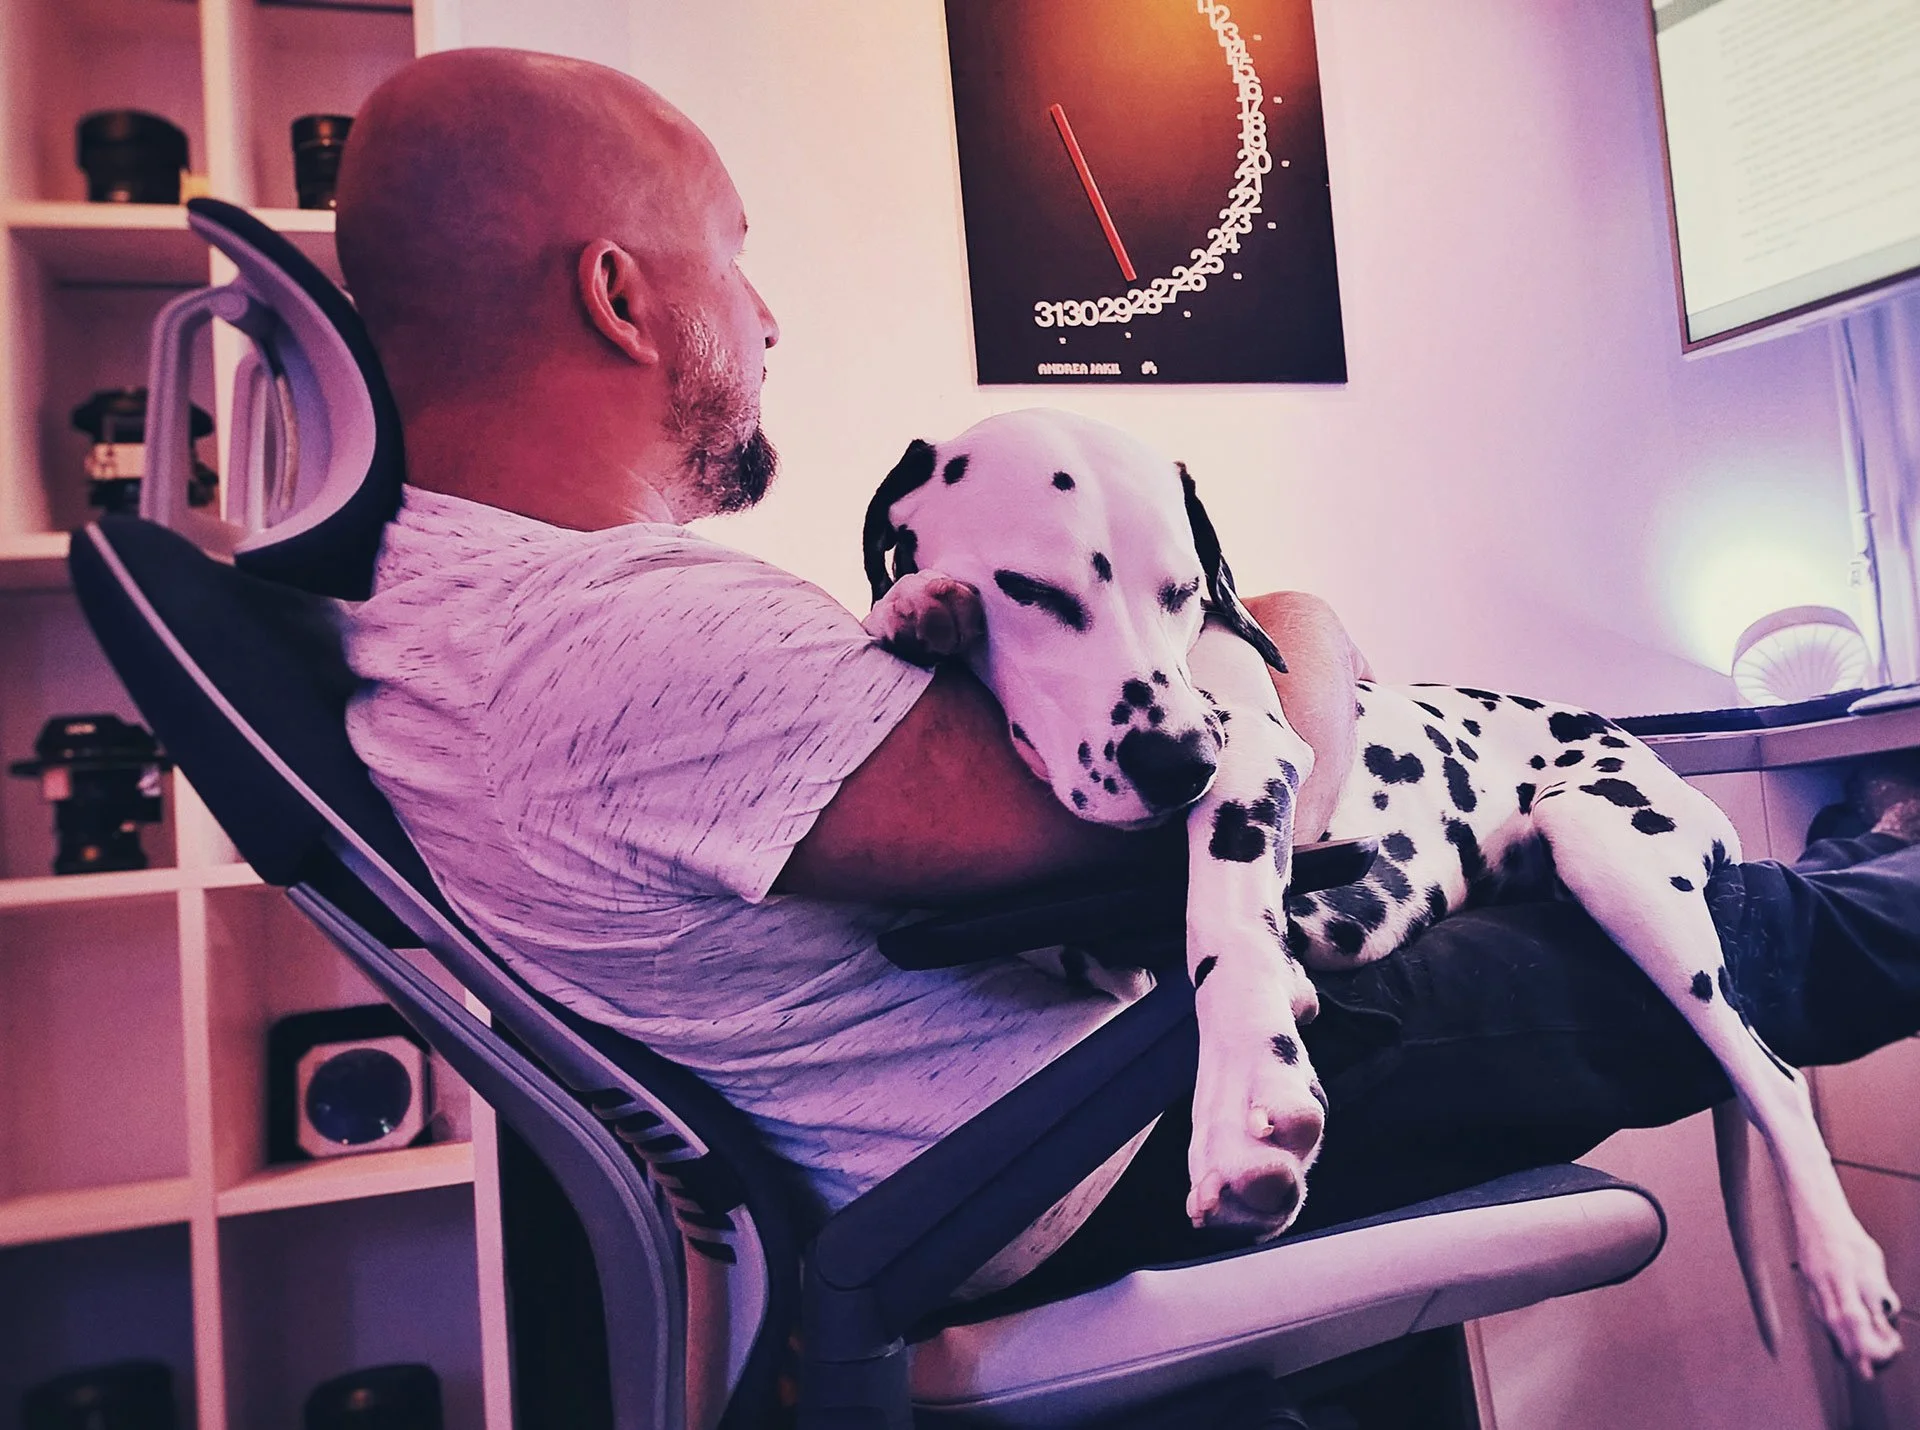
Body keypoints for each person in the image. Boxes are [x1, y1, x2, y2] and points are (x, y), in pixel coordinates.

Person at [334, 48, 1920, 1317]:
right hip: (1096, 1133)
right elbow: (1204, 799)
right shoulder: (619, 637)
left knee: (1657, 870)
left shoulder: (445, 611)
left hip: (1008, 1118)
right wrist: (1301, 627)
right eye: (735, 258)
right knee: (1755, 928)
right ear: (620, 294)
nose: (767, 315)